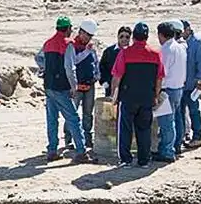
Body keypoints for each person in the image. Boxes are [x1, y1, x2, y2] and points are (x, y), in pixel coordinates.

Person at [35, 16, 91, 163]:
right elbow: (70, 68)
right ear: (67, 29)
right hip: (62, 87)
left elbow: (38, 58)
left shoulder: (47, 43)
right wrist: (74, 86)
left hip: (49, 86)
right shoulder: (68, 44)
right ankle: (81, 151)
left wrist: (45, 69)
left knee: (52, 119)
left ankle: (52, 150)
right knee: (73, 119)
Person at [110, 22, 164, 169]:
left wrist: (114, 96)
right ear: (147, 37)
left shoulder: (125, 53)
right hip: (147, 97)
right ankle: (144, 160)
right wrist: (156, 95)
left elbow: (117, 77)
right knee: (144, 129)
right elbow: (159, 78)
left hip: (128, 97)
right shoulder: (156, 53)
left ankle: (126, 159)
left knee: (125, 129)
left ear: (133, 37)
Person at [64, 19, 100, 152]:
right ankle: (69, 138)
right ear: (81, 32)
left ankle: (87, 137)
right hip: (76, 87)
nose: (88, 38)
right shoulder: (72, 46)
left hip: (89, 86)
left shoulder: (91, 47)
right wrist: (86, 52)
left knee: (88, 113)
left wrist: (97, 75)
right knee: (72, 113)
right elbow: (73, 63)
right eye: (87, 35)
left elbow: (95, 62)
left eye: (90, 36)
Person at [155, 22, 186, 164]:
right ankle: (170, 147)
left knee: (166, 123)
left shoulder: (166, 50)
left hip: (167, 89)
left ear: (161, 35)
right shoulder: (180, 47)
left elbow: (162, 73)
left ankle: (167, 151)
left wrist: (156, 92)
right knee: (173, 119)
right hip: (178, 88)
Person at [180, 19, 201, 150]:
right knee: (179, 113)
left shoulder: (197, 43)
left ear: (188, 29)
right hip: (180, 84)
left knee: (194, 111)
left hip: (192, 85)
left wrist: (199, 80)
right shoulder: (178, 43)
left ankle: (197, 137)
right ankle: (182, 136)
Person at [99, 26, 132, 98]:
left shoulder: (132, 53)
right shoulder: (109, 51)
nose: (124, 39)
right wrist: (104, 81)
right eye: (121, 36)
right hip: (110, 87)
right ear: (117, 37)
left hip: (127, 89)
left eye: (127, 37)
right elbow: (102, 67)